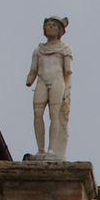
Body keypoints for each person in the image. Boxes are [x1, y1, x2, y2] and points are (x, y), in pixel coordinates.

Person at [26, 15, 73, 159]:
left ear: (60, 30)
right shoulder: (38, 50)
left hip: (57, 81)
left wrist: (67, 90)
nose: (50, 27)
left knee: (54, 113)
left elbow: (68, 71)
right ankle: (40, 149)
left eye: (54, 25)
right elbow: (33, 70)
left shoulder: (65, 48)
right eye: (48, 24)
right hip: (41, 80)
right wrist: (29, 79)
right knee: (37, 112)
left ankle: (52, 148)